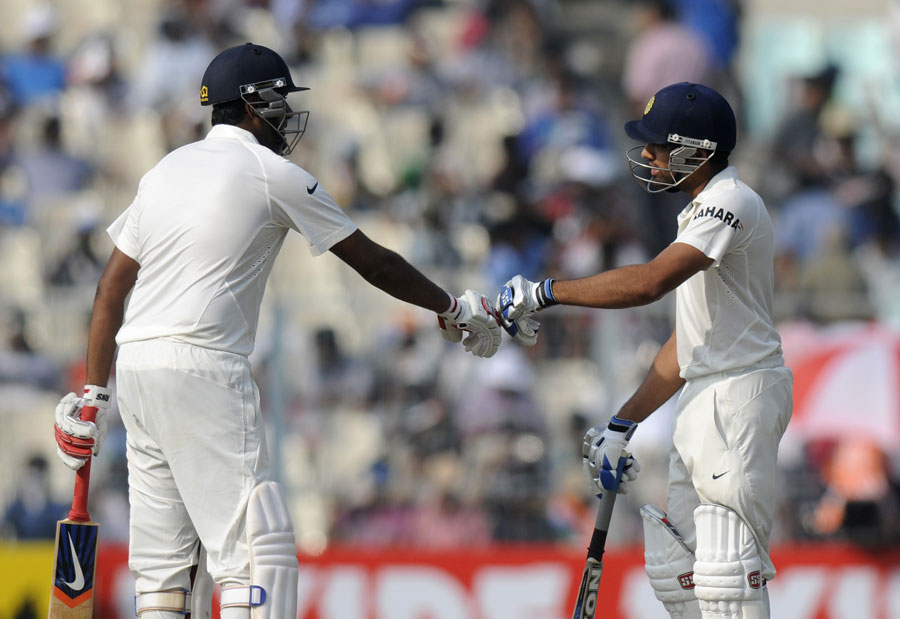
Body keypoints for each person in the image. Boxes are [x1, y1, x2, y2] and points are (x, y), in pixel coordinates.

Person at [51, 43, 501, 619]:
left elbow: (110, 287)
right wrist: (452, 309)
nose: (287, 118)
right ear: (254, 105)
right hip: (203, 367)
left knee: (162, 574)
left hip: (137, 369)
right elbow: (373, 261)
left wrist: (93, 393)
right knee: (256, 560)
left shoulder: (164, 170)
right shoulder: (271, 173)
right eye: (281, 105)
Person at [497, 82, 793, 619]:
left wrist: (547, 292)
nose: (649, 156)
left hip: (739, 393)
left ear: (694, 151)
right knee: (678, 574)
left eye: (658, 145)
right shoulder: (700, 211)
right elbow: (688, 344)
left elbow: (649, 283)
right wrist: (622, 423)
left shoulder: (730, 202)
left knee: (728, 573)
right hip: (708, 393)